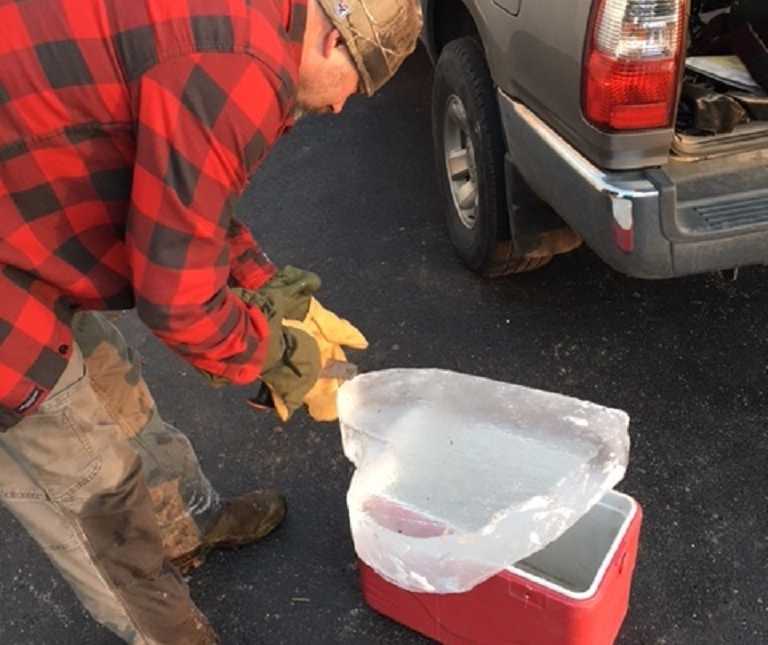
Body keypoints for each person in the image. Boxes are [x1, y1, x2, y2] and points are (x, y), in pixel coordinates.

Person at [0, 0, 422, 642]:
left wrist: (266, 287)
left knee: (112, 377)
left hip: (31, 201)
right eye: (355, 86)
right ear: (334, 39)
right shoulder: (240, 71)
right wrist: (274, 364)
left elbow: (184, 202)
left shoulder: (253, 28)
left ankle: (186, 523)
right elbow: (178, 301)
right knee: (94, 486)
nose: (341, 109)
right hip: (12, 273)